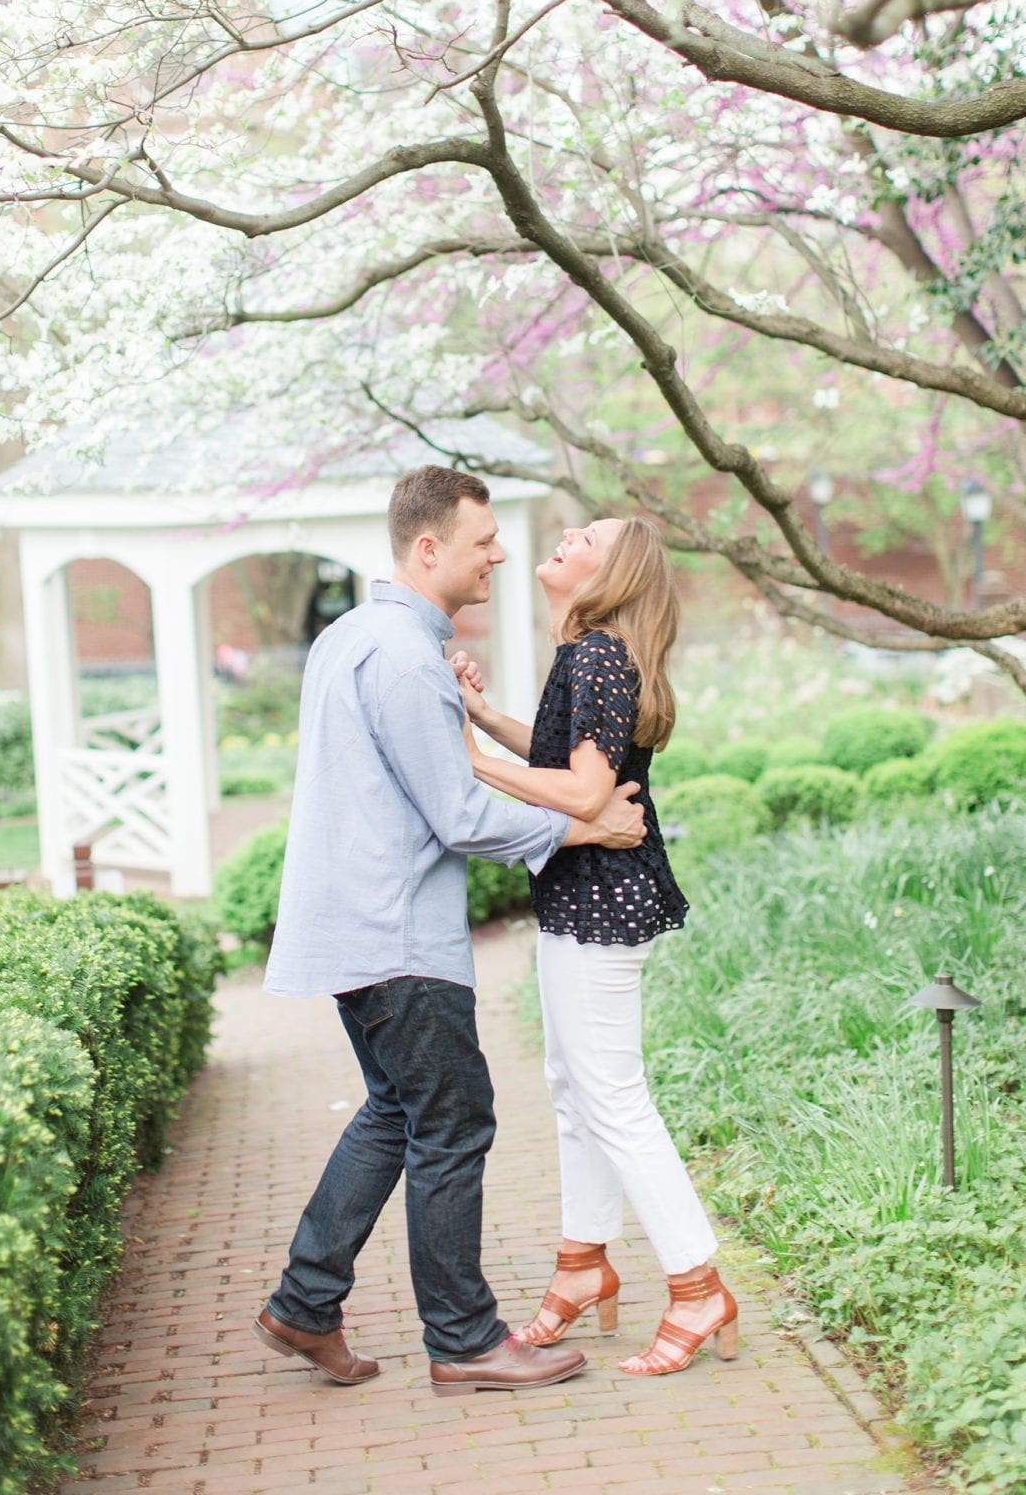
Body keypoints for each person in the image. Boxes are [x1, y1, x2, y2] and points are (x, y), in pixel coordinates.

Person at [256, 466, 647, 1396]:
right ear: (428, 549)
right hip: (398, 937)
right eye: (482, 543)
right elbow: (458, 814)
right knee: (453, 1122)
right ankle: (466, 1341)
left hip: (354, 928)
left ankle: (305, 1305)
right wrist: (581, 827)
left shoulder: (354, 636)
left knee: (398, 1114)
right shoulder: (399, 655)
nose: (500, 555)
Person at [454, 515, 739, 1376]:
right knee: (573, 1087)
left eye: (588, 536)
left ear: (614, 574)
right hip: (585, 896)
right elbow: (561, 758)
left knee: (612, 1096)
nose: (566, 537)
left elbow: (580, 792)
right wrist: (482, 717)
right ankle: (583, 1266)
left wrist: (462, 754)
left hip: (601, 902)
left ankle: (697, 1287)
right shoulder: (591, 655)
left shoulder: (599, 655)